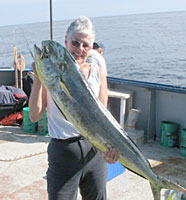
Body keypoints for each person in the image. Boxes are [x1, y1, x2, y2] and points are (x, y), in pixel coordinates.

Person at [29, 16, 118, 200]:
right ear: (66, 42)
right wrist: (38, 79)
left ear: (91, 47)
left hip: (94, 153)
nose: (79, 49)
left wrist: (110, 150)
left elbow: (104, 118)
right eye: (75, 43)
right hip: (63, 154)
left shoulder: (98, 72)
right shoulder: (51, 74)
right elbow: (35, 116)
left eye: (85, 45)